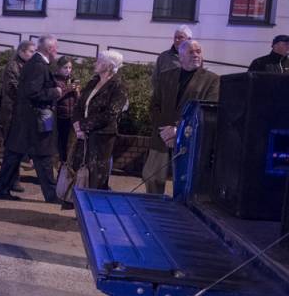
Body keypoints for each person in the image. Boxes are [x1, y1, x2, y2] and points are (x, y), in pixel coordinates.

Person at [143, 39, 219, 195]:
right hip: (162, 136)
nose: (196, 55)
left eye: (198, 51)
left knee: (185, 183)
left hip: (190, 138)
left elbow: (208, 110)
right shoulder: (165, 76)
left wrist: (178, 129)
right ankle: (154, 208)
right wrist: (165, 130)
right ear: (181, 56)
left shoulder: (212, 80)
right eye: (191, 52)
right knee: (152, 178)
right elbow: (154, 106)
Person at [0, 35, 61, 202]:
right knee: (42, 156)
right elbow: (33, 92)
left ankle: (1, 189)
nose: (57, 51)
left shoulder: (35, 63)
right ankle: (51, 195)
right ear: (50, 49)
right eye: (56, 47)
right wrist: (55, 92)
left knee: (14, 155)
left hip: (26, 121)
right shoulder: (38, 65)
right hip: (34, 121)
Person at [70, 51, 128, 193]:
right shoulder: (93, 81)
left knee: (96, 174)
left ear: (109, 66)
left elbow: (111, 113)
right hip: (83, 135)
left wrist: (83, 126)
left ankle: (93, 203)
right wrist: (77, 125)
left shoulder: (118, 86)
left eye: (100, 61)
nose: (95, 63)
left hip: (102, 137)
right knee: (80, 171)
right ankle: (77, 202)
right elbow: (79, 105)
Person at [0, 40, 36, 138]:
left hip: (22, 108)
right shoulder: (13, 66)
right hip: (12, 108)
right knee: (10, 137)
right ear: (21, 51)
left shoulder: (28, 66)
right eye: (31, 51)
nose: (33, 54)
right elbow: (13, 87)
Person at [54, 56, 80, 163]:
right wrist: (67, 89)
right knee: (61, 142)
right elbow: (54, 97)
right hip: (59, 116)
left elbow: (78, 100)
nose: (68, 70)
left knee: (71, 143)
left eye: (70, 68)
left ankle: (66, 164)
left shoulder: (71, 80)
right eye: (65, 67)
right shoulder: (55, 80)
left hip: (71, 116)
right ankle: (61, 163)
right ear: (59, 67)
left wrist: (77, 91)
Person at [152, 25, 192, 91]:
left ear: (189, 39)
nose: (176, 40)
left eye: (180, 37)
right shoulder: (163, 57)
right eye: (175, 37)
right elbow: (155, 79)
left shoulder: (194, 57)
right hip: (166, 95)